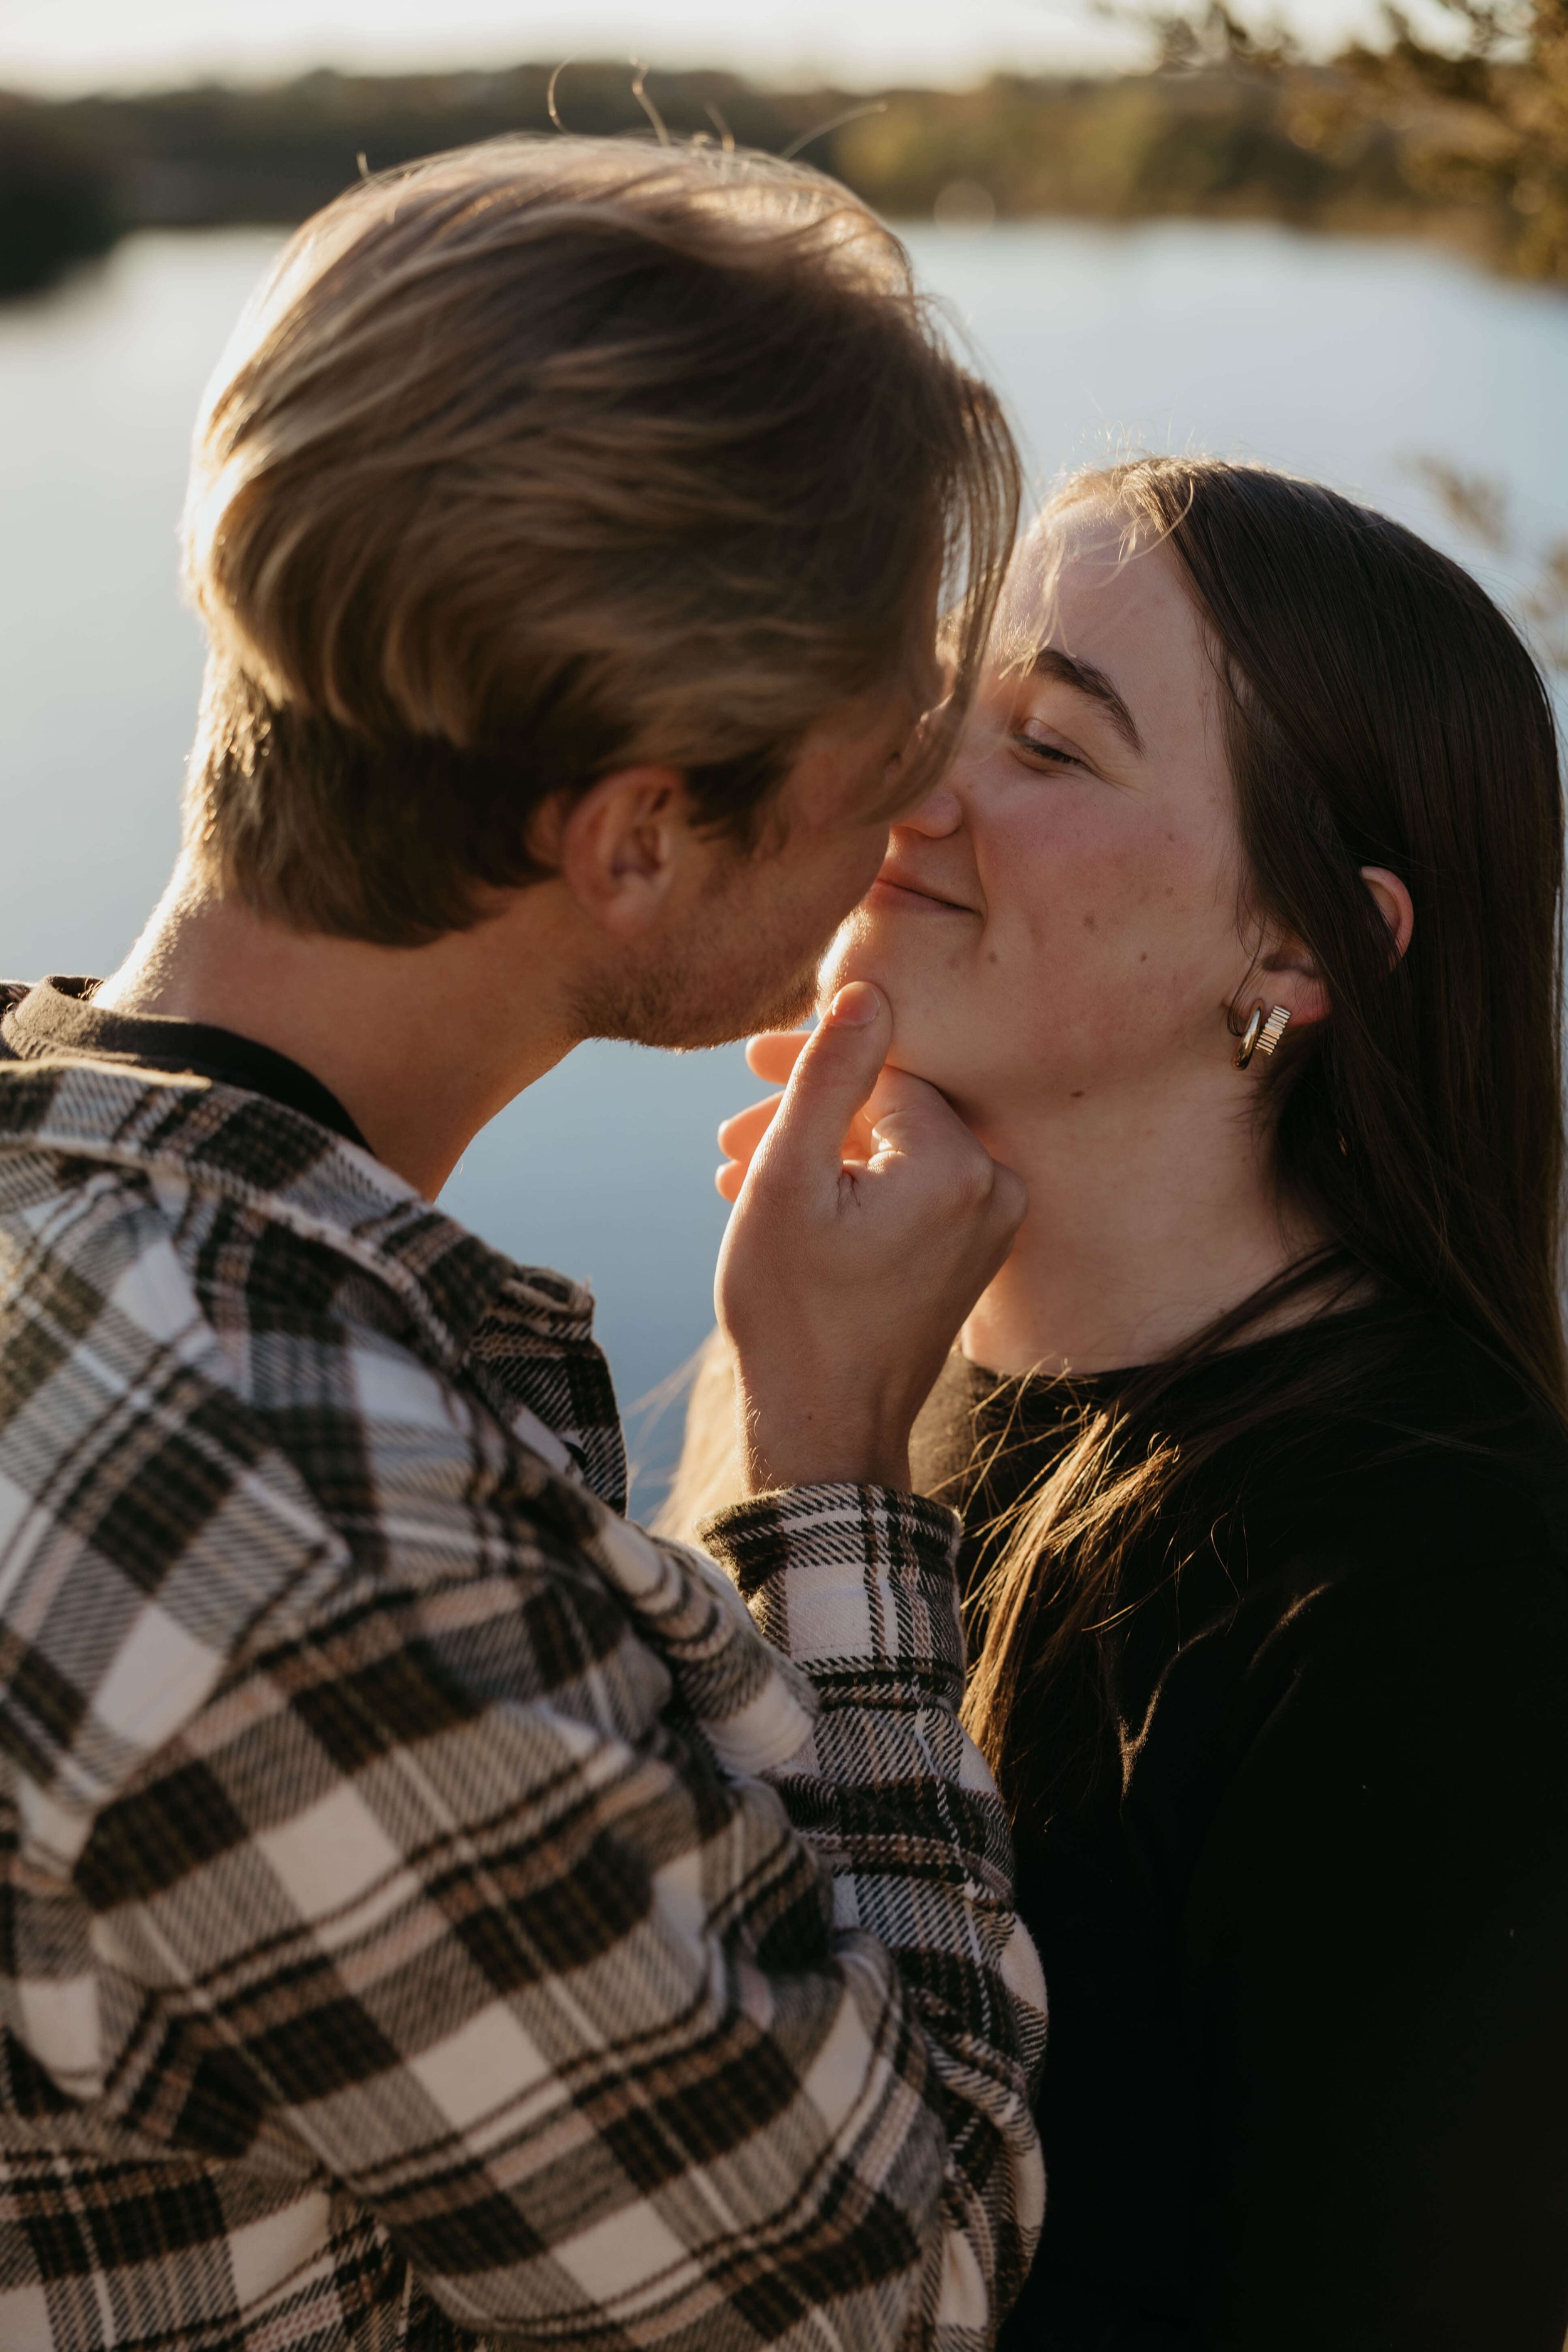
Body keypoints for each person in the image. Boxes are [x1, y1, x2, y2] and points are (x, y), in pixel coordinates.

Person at [0, 137, 1050, 2352]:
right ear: (641, 841)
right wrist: (834, 1468)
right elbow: (883, 2297)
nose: (932, 803)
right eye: (889, 752)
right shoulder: (285, 1517)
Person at [687, 457, 1568, 2349]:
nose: (911, 794)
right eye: (939, 708)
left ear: (1301, 950)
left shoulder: (1447, 1581)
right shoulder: (846, 1345)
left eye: (1051, 753)